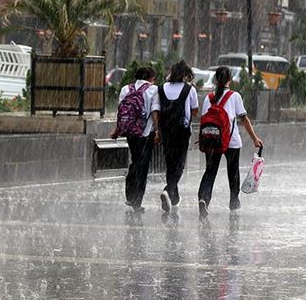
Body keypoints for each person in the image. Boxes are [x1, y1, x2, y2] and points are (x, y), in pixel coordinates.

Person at [197, 66, 263, 217]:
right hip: (231, 142)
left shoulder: (209, 98)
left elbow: (204, 119)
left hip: (212, 140)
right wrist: (254, 138)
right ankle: (234, 201)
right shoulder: (234, 96)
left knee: (210, 171)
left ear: (215, 79)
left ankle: (204, 199)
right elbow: (244, 119)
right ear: (230, 80)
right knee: (233, 172)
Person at [111, 66, 160, 213]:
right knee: (142, 165)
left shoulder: (126, 89)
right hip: (146, 133)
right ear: (151, 78)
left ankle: (130, 194)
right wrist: (157, 130)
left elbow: (121, 112)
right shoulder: (153, 89)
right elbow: (155, 111)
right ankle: (136, 201)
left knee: (135, 161)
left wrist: (117, 130)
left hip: (130, 132)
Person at [158, 60, 199, 213]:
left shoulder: (161, 88)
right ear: (185, 74)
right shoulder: (189, 89)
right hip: (182, 131)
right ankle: (168, 190)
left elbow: (158, 109)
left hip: (166, 130)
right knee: (180, 164)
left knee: (170, 163)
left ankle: (174, 197)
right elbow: (195, 111)